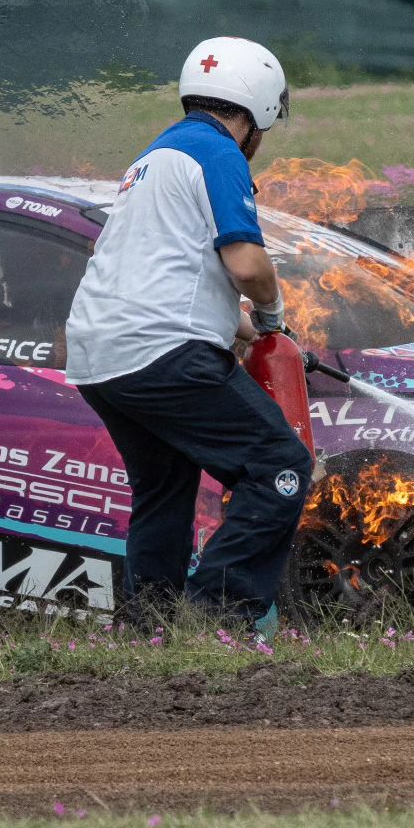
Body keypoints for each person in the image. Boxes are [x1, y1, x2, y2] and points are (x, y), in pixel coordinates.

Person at [65, 36, 311, 632]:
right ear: (252, 113)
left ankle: (152, 630)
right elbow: (247, 264)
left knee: (164, 488)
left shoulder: (153, 159)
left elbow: (168, 270)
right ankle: (215, 619)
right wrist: (272, 316)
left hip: (102, 358)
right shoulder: (218, 151)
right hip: (162, 352)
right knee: (279, 467)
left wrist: (237, 325)